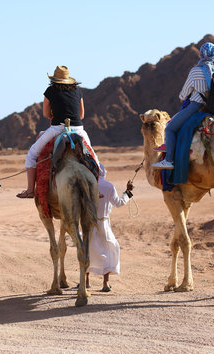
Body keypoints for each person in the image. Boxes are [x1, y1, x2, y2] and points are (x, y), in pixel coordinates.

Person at [17, 65, 95, 198]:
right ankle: (96, 189)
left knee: (31, 155)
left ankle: (30, 191)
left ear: (54, 79)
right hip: (78, 129)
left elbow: (46, 113)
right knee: (93, 158)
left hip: (58, 128)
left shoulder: (50, 91)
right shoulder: (78, 91)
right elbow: (81, 115)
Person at [152, 42, 214, 169]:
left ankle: (169, 160)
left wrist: (182, 99)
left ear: (201, 54)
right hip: (213, 110)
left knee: (170, 128)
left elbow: (184, 93)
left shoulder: (195, 71)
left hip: (196, 107)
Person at [86, 163, 133, 292]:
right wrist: (128, 192)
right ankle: (105, 283)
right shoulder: (108, 186)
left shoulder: (86, 185)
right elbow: (118, 203)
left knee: (88, 249)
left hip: (88, 223)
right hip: (104, 223)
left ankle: (86, 281)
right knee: (108, 249)